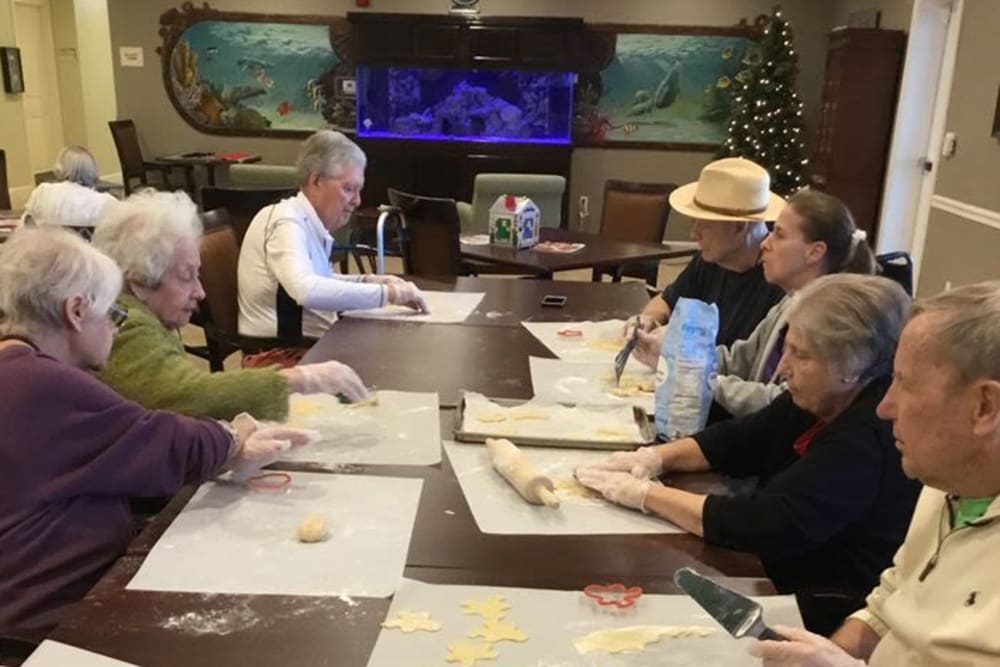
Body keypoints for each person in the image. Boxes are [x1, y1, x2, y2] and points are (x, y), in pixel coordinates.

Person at [0, 227, 311, 637]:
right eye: (112, 313)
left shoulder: (15, 365)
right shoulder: (43, 384)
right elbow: (160, 439)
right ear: (75, 312)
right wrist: (232, 438)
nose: (116, 329)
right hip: (50, 621)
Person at [577, 274, 920, 633]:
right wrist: (655, 457)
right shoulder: (824, 393)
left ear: (851, 367)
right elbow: (740, 439)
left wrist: (646, 495)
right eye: (786, 348)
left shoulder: (866, 436)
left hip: (820, 605)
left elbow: (763, 522)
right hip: (775, 572)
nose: (784, 368)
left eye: (800, 354)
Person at [752, 281, 1000, 666]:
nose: (885, 407)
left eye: (906, 383)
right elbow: (888, 604)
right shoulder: (948, 480)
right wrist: (828, 654)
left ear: (984, 407)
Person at [91, 190, 368, 421]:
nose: (200, 293)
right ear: (139, 281)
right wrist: (298, 379)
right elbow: (186, 396)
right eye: (187, 277)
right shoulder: (123, 326)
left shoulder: (137, 312)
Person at [634, 189, 877, 418]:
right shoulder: (790, 302)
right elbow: (740, 360)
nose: (765, 243)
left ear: (814, 252)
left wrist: (696, 378)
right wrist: (674, 357)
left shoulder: (830, 323)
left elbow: (783, 402)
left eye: (779, 234)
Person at [238, 130, 429, 339]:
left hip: (311, 346)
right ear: (316, 182)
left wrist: (367, 281)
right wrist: (391, 294)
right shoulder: (286, 221)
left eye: (359, 190)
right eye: (349, 189)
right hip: (283, 355)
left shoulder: (303, 219)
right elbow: (305, 290)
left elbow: (320, 280)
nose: (357, 201)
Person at [632, 157, 785, 346]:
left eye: (703, 225)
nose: (693, 234)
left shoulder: (781, 280)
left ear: (738, 226)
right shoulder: (712, 258)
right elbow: (666, 300)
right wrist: (648, 319)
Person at [20, 145, 117, 230]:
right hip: (87, 250)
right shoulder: (105, 202)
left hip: (47, 249)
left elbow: (24, 226)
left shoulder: (42, 192)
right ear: (92, 170)